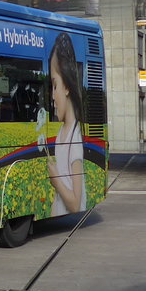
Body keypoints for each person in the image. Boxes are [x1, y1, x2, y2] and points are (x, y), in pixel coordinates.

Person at [46, 34, 86, 214]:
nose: (52, 97)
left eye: (55, 86)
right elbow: (58, 199)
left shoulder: (74, 137)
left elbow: (75, 204)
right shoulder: (61, 133)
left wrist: (55, 179)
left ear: (67, 87)